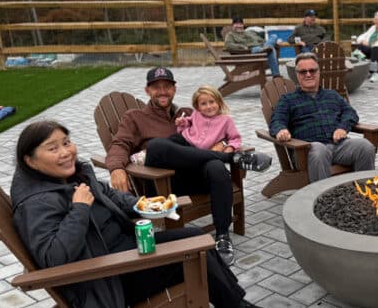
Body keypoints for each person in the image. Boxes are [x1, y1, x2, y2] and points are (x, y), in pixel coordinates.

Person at [11, 120, 282, 308]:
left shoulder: (72, 178)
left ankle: (232, 306)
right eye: (53, 148)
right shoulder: (37, 204)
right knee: (192, 253)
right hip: (109, 278)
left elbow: (111, 195)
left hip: (125, 255)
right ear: (30, 161)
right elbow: (54, 258)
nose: (65, 152)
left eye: (66, 142)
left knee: (195, 236)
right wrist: (80, 209)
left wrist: (143, 204)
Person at [105, 68, 267, 265]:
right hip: (164, 184)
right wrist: (116, 168)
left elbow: (217, 129)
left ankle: (223, 236)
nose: (162, 91)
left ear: (174, 89)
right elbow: (119, 144)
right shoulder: (135, 117)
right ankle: (233, 159)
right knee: (157, 146)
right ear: (147, 90)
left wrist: (224, 144)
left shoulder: (188, 114)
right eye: (156, 87)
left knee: (216, 167)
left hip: (194, 176)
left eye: (167, 86)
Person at [269, 52, 376, 182]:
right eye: (303, 72)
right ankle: (322, 194)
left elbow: (350, 113)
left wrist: (342, 128)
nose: (308, 74)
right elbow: (277, 120)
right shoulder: (288, 100)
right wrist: (281, 130)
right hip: (306, 150)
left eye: (312, 70)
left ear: (319, 72)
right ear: (297, 75)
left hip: (338, 146)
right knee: (319, 149)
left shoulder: (332, 95)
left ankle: (364, 190)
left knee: (365, 146)